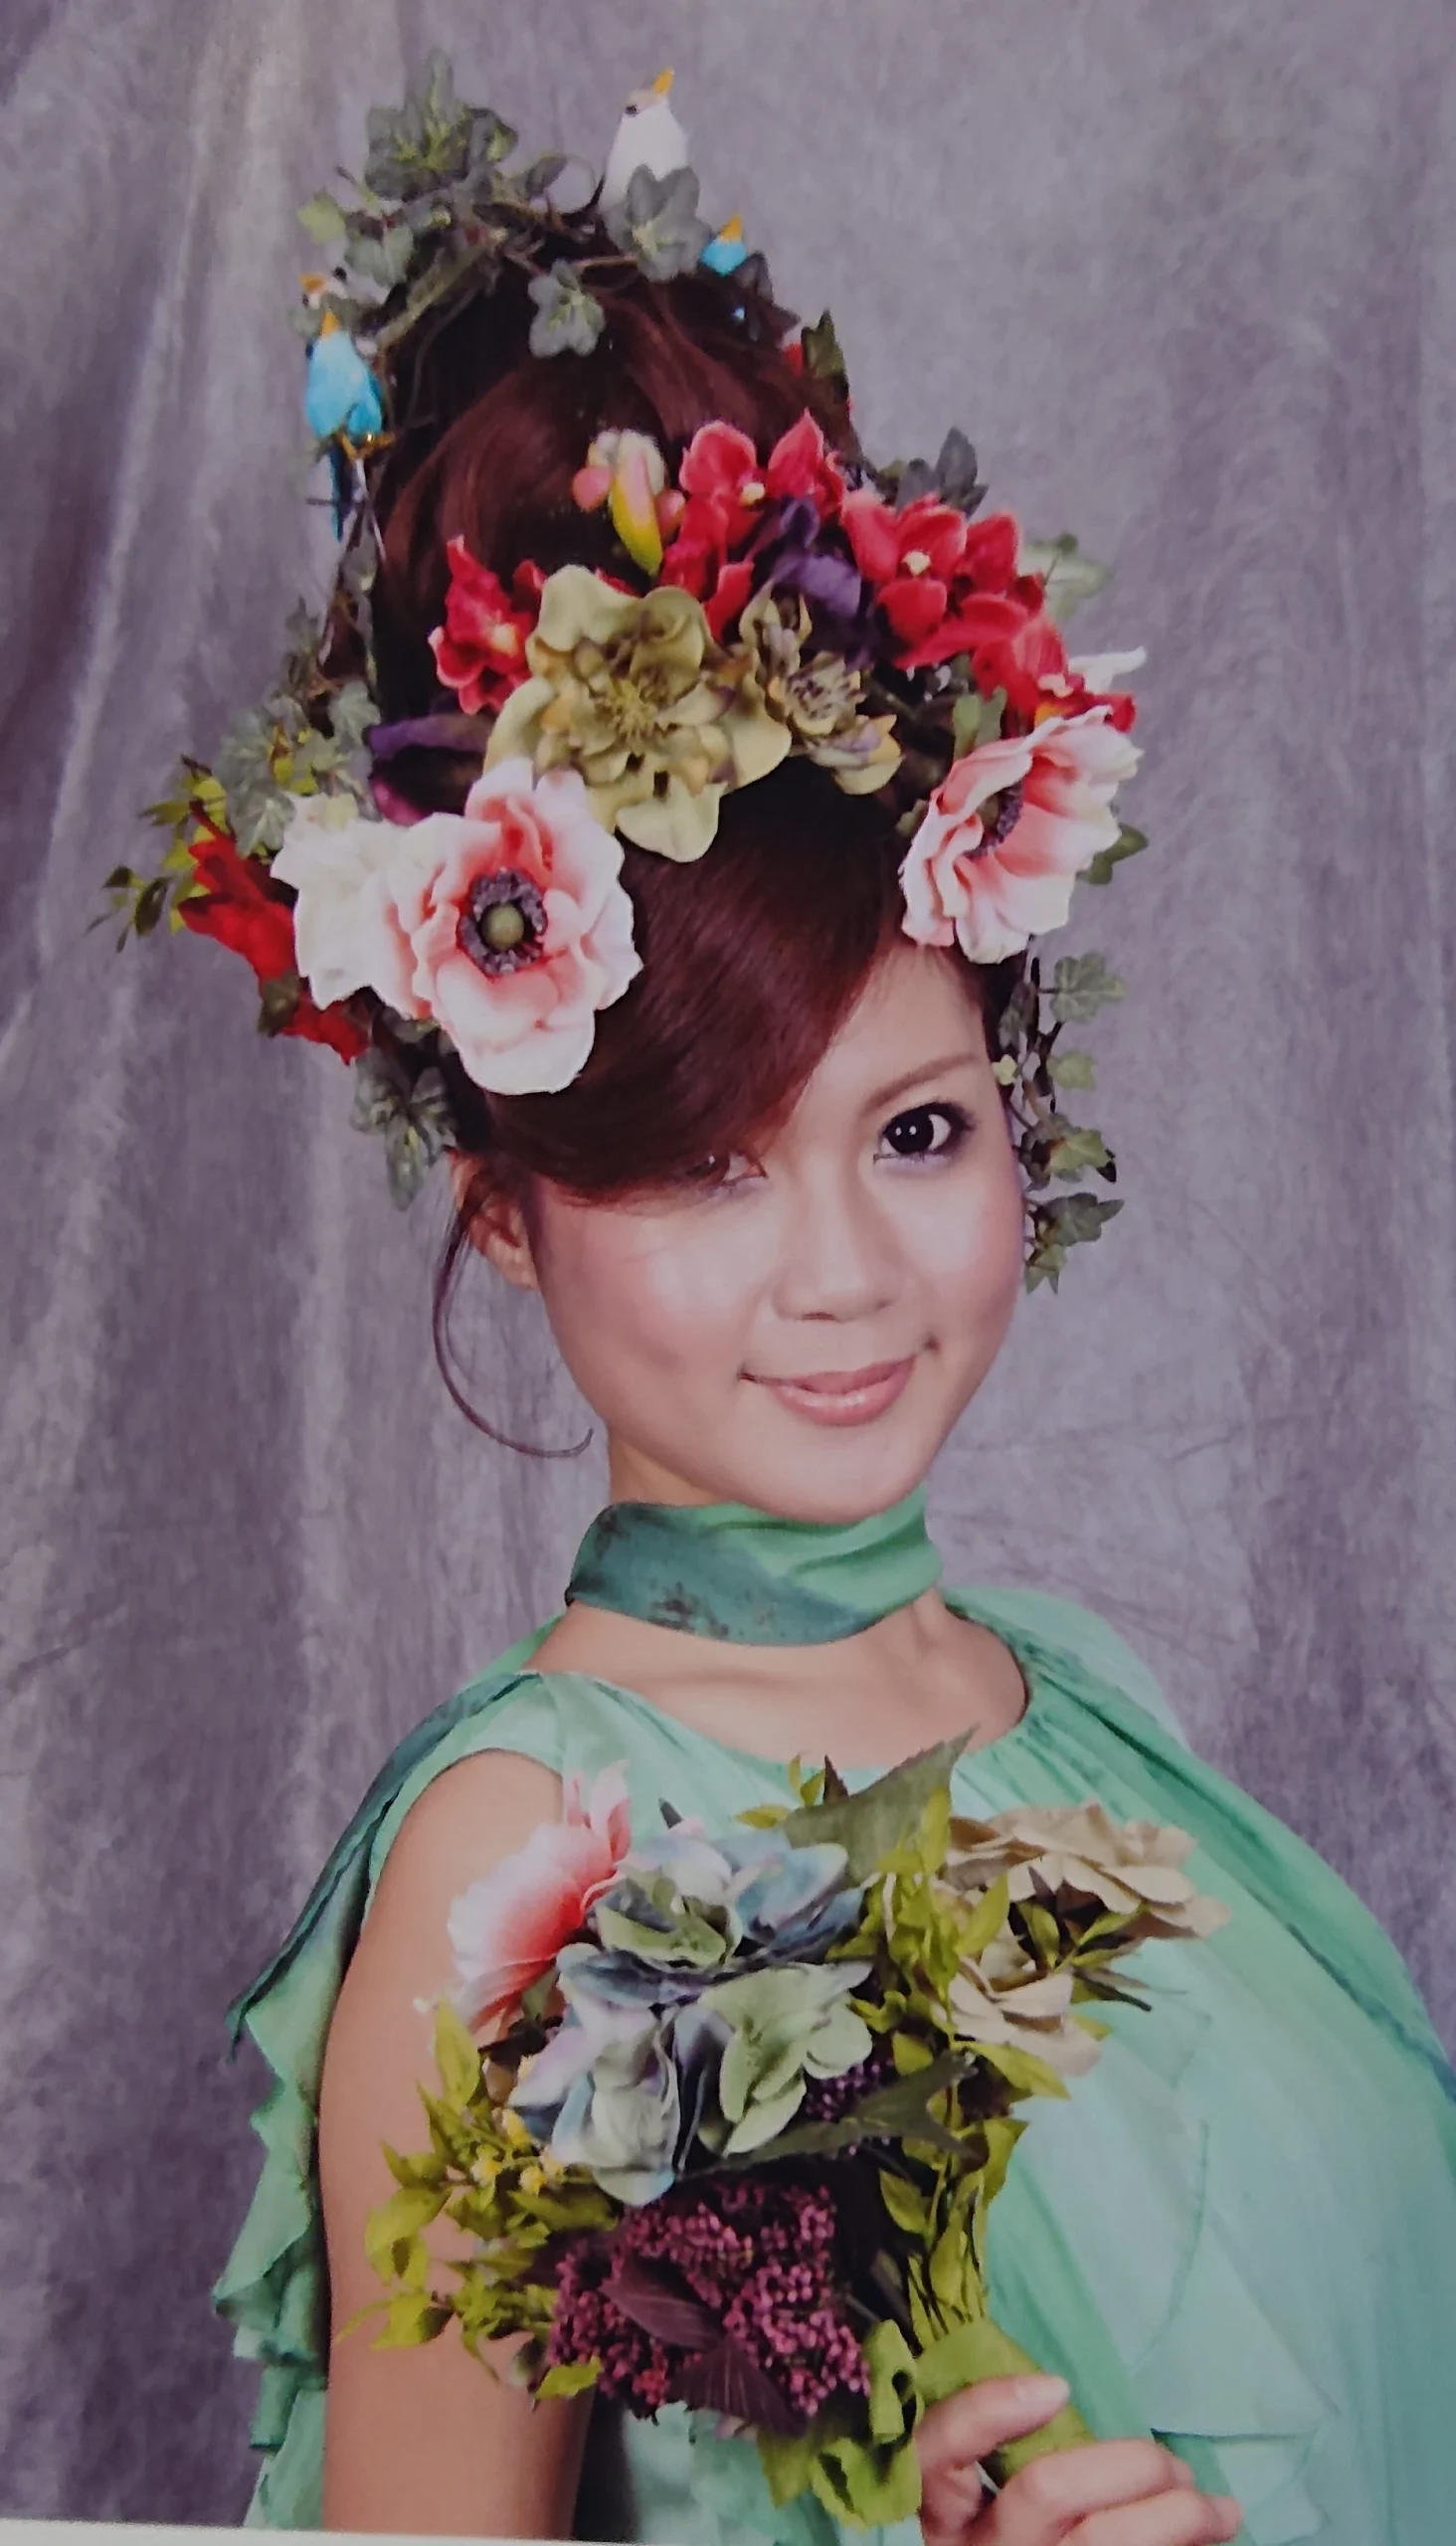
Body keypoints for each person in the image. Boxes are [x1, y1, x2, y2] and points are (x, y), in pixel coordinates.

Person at [172, 67, 1456, 2546]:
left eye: (919, 1131)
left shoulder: (1071, 1696)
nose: (848, 1272)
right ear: (508, 1205)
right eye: (706, 1165)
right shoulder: (522, 1865)